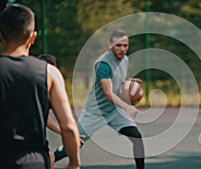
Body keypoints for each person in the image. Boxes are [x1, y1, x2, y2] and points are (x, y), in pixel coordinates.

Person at [0, 4, 81, 169]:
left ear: (0, 35)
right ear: (32, 37)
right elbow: (69, 126)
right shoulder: (50, 73)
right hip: (33, 162)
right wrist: (74, 163)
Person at [54, 28, 145, 169]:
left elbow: (115, 81)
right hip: (96, 112)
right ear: (110, 45)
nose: (122, 49)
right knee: (75, 143)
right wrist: (126, 106)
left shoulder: (125, 59)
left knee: (137, 137)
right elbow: (108, 93)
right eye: (118, 45)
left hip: (114, 111)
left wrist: (129, 83)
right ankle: (49, 160)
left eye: (125, 45)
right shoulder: (103, 64)